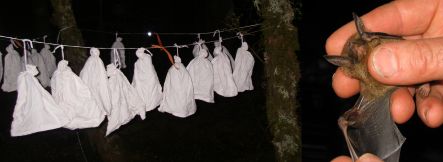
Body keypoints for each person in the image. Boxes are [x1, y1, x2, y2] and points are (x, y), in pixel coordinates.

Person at [326, 0, 443, 161]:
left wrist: (424, 77)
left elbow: (404, 45)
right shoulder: (366, 85)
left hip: (407, 74)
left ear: (366, 38)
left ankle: (423, 80)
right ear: (351, 67)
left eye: (359, 44)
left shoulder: (378, 43)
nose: (357, 47)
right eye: (354, 54)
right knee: (346, 121)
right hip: (387, 90)